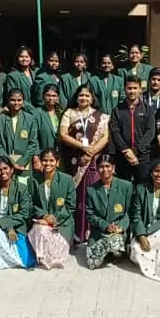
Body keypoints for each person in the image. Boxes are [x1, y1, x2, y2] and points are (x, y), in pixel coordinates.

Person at [59, 85, 111, 242]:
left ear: (92, 98)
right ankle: (77, 233)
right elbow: (63, 134)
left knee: (93, 194)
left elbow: (105, 137)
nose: (84, 98)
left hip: (93, 162)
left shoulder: (101, 116)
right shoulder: (69, 113)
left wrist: (91, 152)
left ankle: (94, 231)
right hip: (75, 161)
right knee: (77, 196)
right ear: (76, 97)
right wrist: (83, 147)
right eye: (81, 95)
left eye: (87, 96)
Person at [0, 157, 37, 270]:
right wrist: (6, 227)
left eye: (5, 168)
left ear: (12, 169)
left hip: (16, 227)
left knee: (24, 259)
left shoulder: (22, 189)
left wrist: (7, 226)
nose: (2, 172)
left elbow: (24, 214)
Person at [28, 149, 76, 269]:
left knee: (56, 255)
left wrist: (53, 219)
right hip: (42, 222)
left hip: (61, 225)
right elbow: (30, 204)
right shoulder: (33, 180)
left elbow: (70, 206)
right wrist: (44, 216)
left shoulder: (67, 180)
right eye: (45, 160)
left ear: (57, 162)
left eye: (51, 160)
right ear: (40, 161)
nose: (48, 163)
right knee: (41, 229)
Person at [84, 155, 134, 269]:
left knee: (115, 241)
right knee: (91, 263)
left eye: (108, 166)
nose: (105, 169)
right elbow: (90, 215)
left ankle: (116, 252)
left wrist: (121, 227)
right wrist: (105, 226)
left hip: (118, 230)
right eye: (101, 167)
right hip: (100, 230)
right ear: (97, 169)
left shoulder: (126, 186)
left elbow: (129, 212)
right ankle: (108, 251)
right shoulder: (91, 190)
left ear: (113, 168)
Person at [109, 75, 157, 183]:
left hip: (142, 155)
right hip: (122, 155)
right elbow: (115, 132)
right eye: (129, 88)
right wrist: (126, 151)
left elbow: (150, 132)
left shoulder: (147, 109)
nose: (132, 91)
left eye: (135, 88)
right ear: (124, 89)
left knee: (143, 186)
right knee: (123, 186)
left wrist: (136, 150)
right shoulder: (117, 110)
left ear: (140, 89)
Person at [0, 89, 40, 181]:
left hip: (24, 164)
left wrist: (21, 163)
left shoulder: (30, 119)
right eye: (13, 100)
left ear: (23, 101)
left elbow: (33, 143)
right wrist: (10, 162)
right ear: (8, 101)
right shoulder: (0, 120)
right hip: (6, 165)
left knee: (24, 187)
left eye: (19, 100)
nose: (16, 103)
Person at [33, 84, 64, 155]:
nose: (51, 98)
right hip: (44, 154)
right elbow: (33, 137)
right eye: (48, 95)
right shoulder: (36, 113)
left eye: (54, 96)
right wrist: (36, 155)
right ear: (43, 96)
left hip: (60, 154)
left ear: (58, 97)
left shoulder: (62, 113)